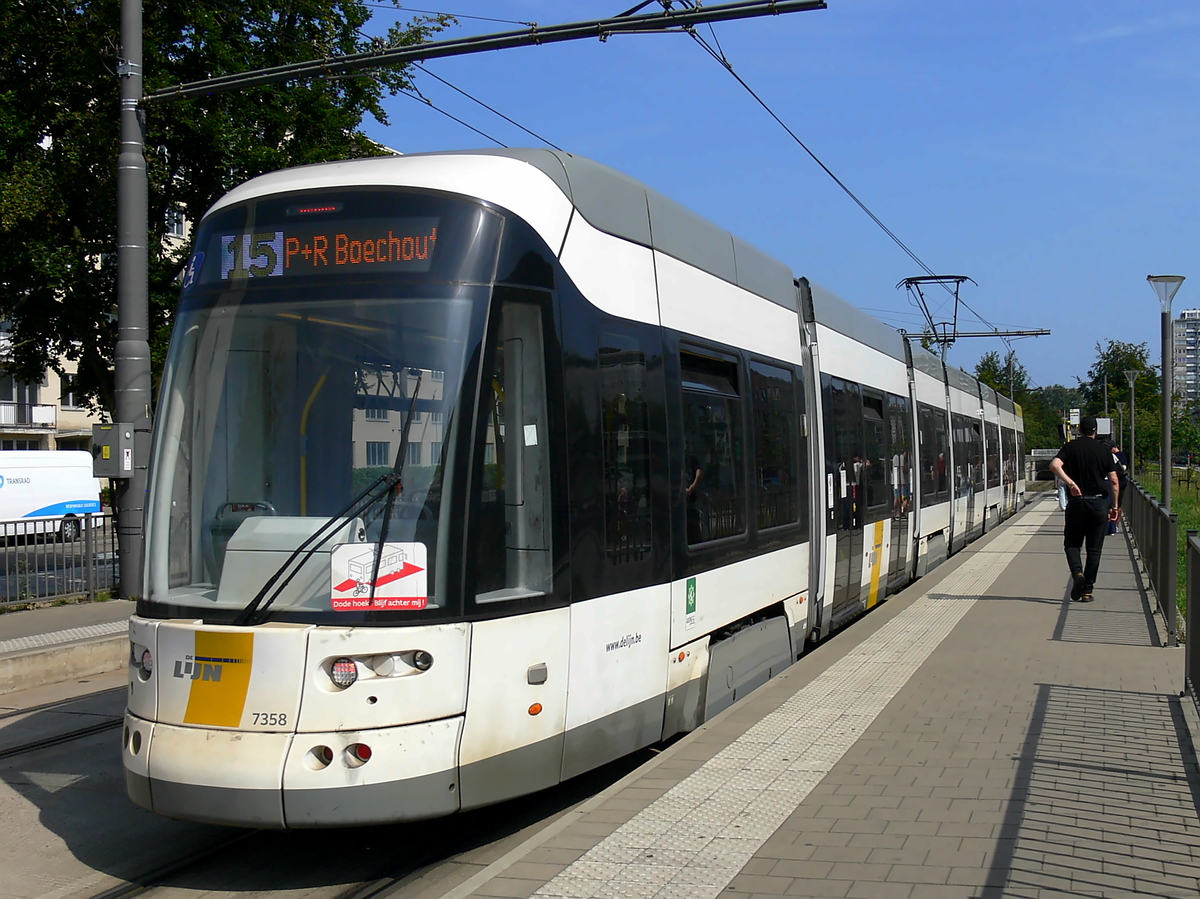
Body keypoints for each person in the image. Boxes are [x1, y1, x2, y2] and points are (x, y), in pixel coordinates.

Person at [1048, 416, 1120, 602]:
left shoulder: (1070, 447)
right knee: (1094, 549)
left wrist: (1070, 483)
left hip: (1077, 503)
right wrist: (1114, 506)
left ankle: (1077, 573)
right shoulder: (1104, 451)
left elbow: (1054, 465)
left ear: (1079, 430)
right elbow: (1114, 480)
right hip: (1098, 504)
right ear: (1096, 431)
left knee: (1072, 544)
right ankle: (1087, 591)